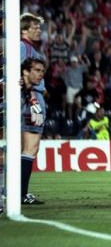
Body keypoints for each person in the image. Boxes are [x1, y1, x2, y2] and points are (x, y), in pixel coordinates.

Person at [20, 13, 47, 205]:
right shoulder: (23, 47)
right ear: (24, 30)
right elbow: (20, 73)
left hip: (33, 98)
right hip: (31, 99)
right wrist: (30, 97)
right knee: (30, 147)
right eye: (34, 27)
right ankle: (20, 193)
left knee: (29, 147)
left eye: (39, 27)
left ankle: (20, 192)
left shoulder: (30, 48)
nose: (39, 30)